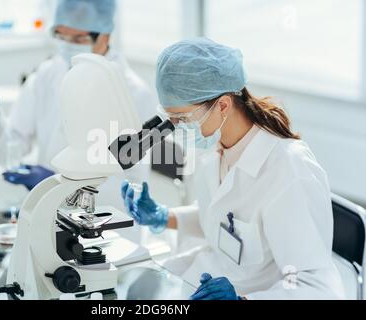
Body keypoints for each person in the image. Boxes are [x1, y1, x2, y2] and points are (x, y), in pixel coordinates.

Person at [121, 38, 345, 299]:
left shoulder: (289, 170)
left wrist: (243, 300)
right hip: (203, 276)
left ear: (223, 105)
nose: (177, 128)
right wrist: (165, 216)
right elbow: (228, 219)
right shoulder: (215, 149)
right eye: (171, 119)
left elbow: (318, 288)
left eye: (182, 118)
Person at [0, 0, 156, 210]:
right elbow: (10, 150)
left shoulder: (134, 94)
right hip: (48, 213)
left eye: (78, 38)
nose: (68, 45)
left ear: (105, 35)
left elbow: (132, 183)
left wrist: (58, 183)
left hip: (108, 225)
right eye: (61, 36)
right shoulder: (47, 74)